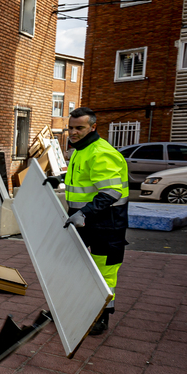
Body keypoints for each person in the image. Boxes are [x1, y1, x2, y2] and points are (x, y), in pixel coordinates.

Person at [51, 107, 129, 335]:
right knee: (76, 266)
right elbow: (85, 178)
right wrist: (59, 178)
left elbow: (111, 192)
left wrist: (84, 213)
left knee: (104, 273)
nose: (73, 132)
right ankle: (80, 310)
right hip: (83, 220)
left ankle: (100, 317)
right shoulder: (80, 151)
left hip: (106, 224)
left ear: (93, 127)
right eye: (70, 128)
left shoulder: (101, 152)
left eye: (79, 128)